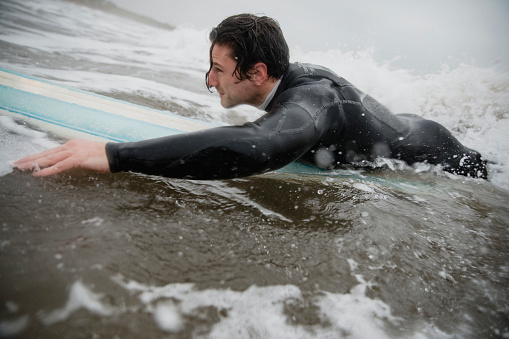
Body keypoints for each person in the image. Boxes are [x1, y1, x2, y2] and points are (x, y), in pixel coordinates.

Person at [14, 14, 488, 180]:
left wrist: (115, 155)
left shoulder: (309, 106)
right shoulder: (294, 90)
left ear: (258, 72)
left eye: (218, 70)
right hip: (409, 127)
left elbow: (256, 147)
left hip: (445, 160)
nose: (209, 81)